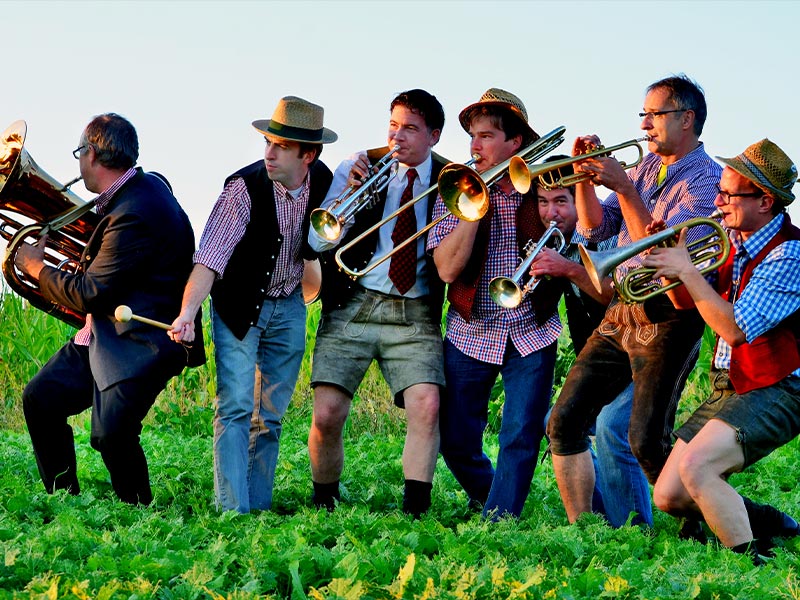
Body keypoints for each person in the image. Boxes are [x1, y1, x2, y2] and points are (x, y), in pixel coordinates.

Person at [546, 74, 721, 524]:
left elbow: (663, 251)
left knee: (644, 441)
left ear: (686, 119)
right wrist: (585, 177)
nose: (644, 124)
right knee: (564, 421)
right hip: (621, 308)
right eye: (642, 114)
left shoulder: (707, 181)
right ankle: (590, 532)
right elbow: (593, 229)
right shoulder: (644, 169)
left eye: (653, 114)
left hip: (668, 316)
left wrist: (624, 187)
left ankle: (718, 519)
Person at [16, 113, 204, 505]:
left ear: (92, 154)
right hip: (105, 333)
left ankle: (136, 511)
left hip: (143, 339)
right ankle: (66, 502)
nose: (78, 162)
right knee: (41, 399)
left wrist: (36, 268)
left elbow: (91, 293)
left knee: (111, 433)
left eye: (78, 153)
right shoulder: (138, 190)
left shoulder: (134, 209)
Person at [169, 96, 336, 513]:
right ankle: (232, 513)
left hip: (290, 306)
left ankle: (257, 511)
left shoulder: (325, 181)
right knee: (237, 406)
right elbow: (209, 257)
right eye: (268, 141)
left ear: (308, 155)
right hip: (239, 307)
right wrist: (187, 312)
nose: (269, 153)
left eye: (281, 146)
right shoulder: (241, 189)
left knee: (271, 417)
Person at [646, 139, 800, 563]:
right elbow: (685, 303)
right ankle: (766, 521)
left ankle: (753, 562)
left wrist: (687, 270)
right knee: (669, 494)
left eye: (729, 194)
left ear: (765, 201)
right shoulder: (730, 238)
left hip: (778, 385)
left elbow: (734, 329)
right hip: (732, 383)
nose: (717, 201)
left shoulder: (790, 253)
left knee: (697, 468)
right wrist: (668, 264)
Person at [307, 89, 447, 518]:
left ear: (434, 136)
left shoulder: (452, 178)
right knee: (328, 412)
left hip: (416, 309)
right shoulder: (359, 164)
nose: (397, 137)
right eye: (393, 125)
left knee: (427, 406)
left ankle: (415, 514)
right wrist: (347, 201)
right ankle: (324, 503)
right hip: (354, 301)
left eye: (410, 128)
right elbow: (316, 240)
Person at [428, 88, 560, 520]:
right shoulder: (455, 189)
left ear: (515, 143)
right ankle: (496, 497)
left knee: (520, 435)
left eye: (486, 136)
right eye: (472, 136)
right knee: (456, 440)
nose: (475, 146)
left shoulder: (545, 186)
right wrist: (471, 208)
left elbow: (578, 238)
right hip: (471, 331)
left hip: (531, 329)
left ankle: (500, 521)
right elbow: (447, 271)